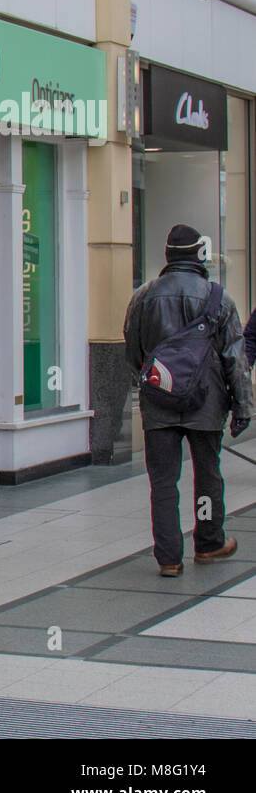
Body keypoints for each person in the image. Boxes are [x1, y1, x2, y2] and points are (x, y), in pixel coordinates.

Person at [123, 224, 253, 577]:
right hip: (206, 403)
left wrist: (159, 381)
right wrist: (243, 406)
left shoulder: (143, 297)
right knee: (207, 475)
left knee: (163, 482)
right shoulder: (217, 297)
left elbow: (133, 352)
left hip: (158, 403)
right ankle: (209, 542)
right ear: (200, 255)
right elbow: (234, 358)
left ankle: (168, 557)